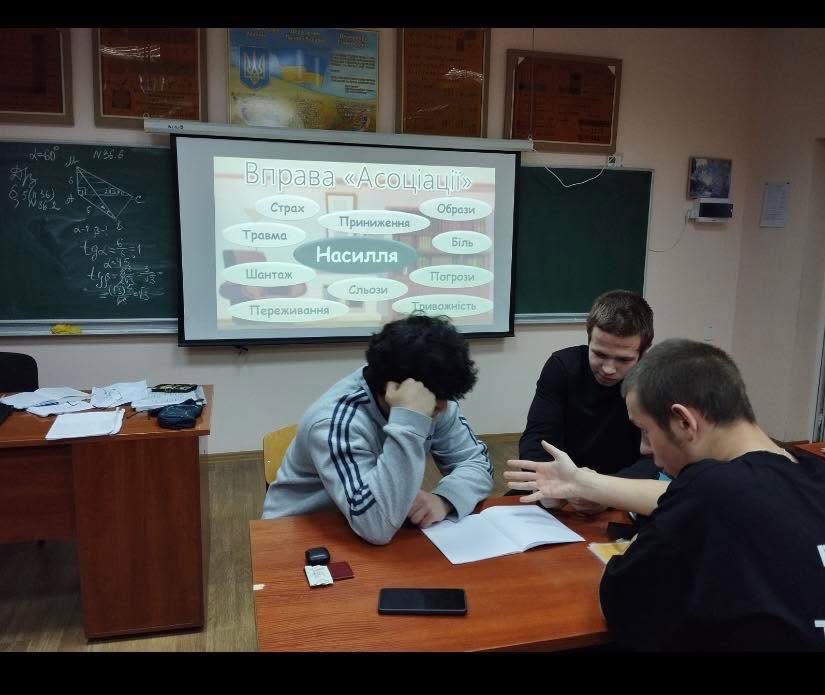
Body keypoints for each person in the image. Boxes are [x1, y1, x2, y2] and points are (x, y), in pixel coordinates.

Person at [507, 339, 825, 651]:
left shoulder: (708, 488)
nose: (645, 448)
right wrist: (584, 483)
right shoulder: (812, 472)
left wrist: (638, 542)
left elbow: (618, 600)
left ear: (684, 421)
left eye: (646, 431)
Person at [262, 314, 493, 545]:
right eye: (436, 400)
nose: (444, 408)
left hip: (372, 529)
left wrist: (445, 498)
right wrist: (410, 421)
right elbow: (375, 526)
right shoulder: (333, 421)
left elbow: (476, 463)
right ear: (393, 388)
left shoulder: (436, 397)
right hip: (297, 536)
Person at [519, 289, 654, 476]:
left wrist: (598, 488)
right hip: (562, 481)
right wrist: (552, 479)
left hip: (623, 486)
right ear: (589, 340)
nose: (608, 369)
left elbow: (656, 458)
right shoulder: (562, 367)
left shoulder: (654, 381)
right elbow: (537, 440)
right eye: (599, 354)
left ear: (643, 353)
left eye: (623, 359)